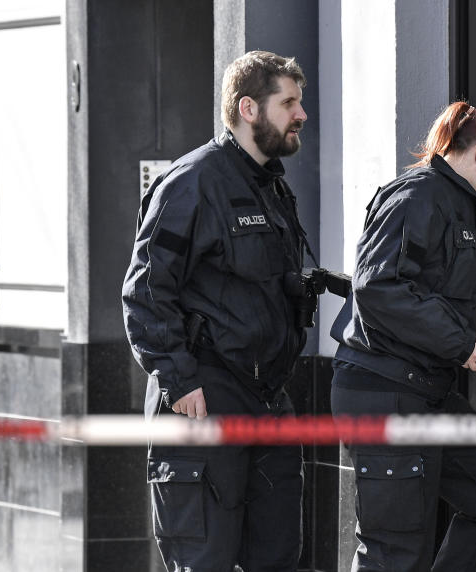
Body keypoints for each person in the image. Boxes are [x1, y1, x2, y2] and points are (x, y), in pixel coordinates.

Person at [330, 101, 476, 571]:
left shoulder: (462, 209)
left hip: (424, 392)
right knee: (394, 553)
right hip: (384, 392)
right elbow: (378, 287)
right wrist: (460, 341)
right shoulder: (417, 197)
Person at [122, 51, 312, 572]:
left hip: (266, 401)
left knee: (276, 558)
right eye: (289, 103)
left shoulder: (270, 185)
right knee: (203, 561)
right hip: (203, 402)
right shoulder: (193, 183)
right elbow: (144, 291)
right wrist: (179, 381)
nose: (301, 114)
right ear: (249, 108)